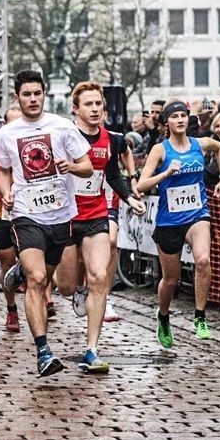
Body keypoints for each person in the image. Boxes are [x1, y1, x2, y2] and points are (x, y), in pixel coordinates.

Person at [0, 71, 93, 378]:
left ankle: (21, 270)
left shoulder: (62, 126)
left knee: (48, 278)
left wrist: (72, 166)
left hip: (60, 215)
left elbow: (88, 168)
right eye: (26, 94)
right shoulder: (9, 133)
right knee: (37, 280)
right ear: (18, 97)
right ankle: (43, 350)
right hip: (25, 213)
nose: (33, 99)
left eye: (37, 93)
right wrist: (6, 189)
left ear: (44, 94)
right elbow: (0, 167)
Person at [56, 82, 145, 373]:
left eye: (98, 104)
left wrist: (130, 198)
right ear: (76, 109)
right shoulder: (63, 137)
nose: (94, 109)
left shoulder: (114, 139)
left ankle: (92, 349)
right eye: (88, 104)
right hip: (67, 216)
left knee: (98, 277)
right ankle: (67, 283)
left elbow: (112, 176)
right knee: (67, 287)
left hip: (96, 214)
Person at [136, 101, 220, 349]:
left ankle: (199, 317)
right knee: (170, 280)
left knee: (203, 260)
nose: (180, 120)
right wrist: (165, 174)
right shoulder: (160, 150)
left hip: (197, 214)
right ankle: (163, 317)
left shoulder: (200, 144)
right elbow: (141, 186)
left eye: (183, 116)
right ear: (166, 122)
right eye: (175, 116)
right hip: (169, 221)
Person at [0, 105, 23, 332]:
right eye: (11, 123)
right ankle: (11, 307)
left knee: (36, 261)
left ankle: (44, 300)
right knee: (7, 262)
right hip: (2, 211)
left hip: (30, 212)